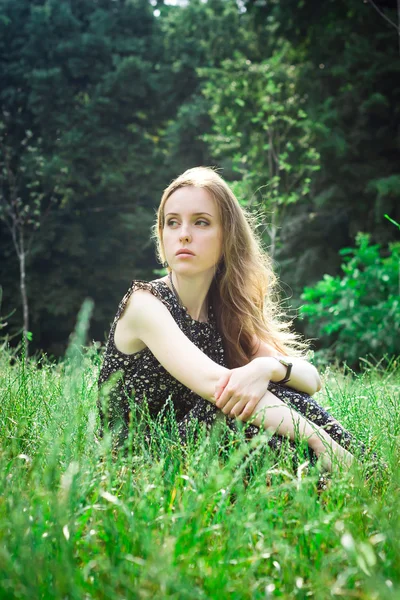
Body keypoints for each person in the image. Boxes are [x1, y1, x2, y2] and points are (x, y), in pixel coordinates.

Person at [98, 166, 356, 473]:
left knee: (274, 396)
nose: (183, 234)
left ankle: (357, 472)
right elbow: (220, 390)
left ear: (227, 237)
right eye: (172, 223)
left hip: (194, 444)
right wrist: (318, 439)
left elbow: (311, 381)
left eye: (201, 222)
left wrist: (266, 367)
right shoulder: (145, 304)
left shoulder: (221, 308)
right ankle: (340, 464)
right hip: (138, 465)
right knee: (246, 406)